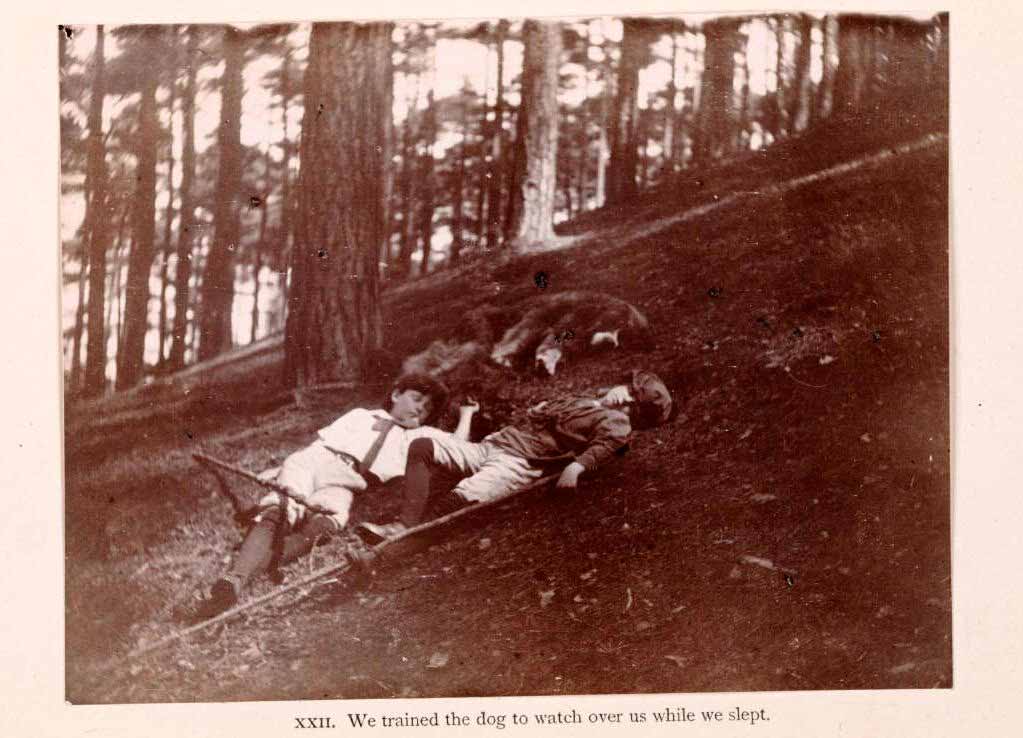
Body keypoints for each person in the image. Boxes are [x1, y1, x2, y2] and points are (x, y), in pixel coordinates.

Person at [197, 373, 477, 618]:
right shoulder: (360, 415)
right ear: (395, 395)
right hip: (316, 461)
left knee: (328, 523)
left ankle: (242, 574)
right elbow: (319, 446)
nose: (421, 409)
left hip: (349, 481)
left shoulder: (418, 436)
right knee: (282, 507)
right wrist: (282, 472)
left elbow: (455, 448)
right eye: (417, 398)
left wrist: (466, 415)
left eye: (427, 408)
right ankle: (234, 579)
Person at [357, 369, 674, 542]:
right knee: (423, 446)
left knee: (463, 497)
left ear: (633, 410)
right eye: (628, 389)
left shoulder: (616, 421)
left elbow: (607, 445)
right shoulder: (585, 400)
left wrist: (576, 468)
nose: (623, 394)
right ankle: (403, 524)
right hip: (491, 446)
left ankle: (408, 538)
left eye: (632, 398)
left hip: (519, 463)